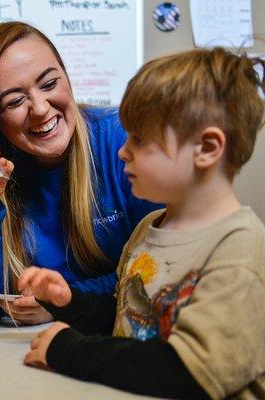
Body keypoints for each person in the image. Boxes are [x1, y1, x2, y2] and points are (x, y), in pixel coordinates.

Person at [18, 47, 265, 399]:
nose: (122, 151)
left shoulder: (239, 246)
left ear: (207, 148)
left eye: (139, 139)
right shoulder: (150, 227)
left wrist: (69, 350)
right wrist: (67, 301)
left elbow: (188, 370)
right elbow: (131, 315)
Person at [0, 21, 160, 324]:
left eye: (49, 84)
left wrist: (65, 303)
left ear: (68, 79)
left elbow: (161, 274)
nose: (40, 109)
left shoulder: (123, 143)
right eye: (15, 101)